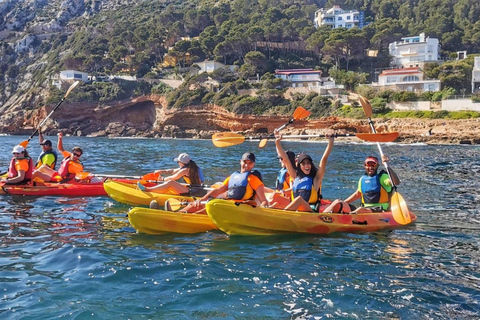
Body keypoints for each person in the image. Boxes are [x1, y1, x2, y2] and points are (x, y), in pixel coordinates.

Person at [160, 152, 268, 213]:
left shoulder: (253, 179)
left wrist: (258, 211)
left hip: (241, 209)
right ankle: (178, 214)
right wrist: (203, 198)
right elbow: (217, 190)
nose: (246, 165)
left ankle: (181, 216)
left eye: (250, 163)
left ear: (253, 165)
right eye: (245, 162)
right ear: (240, 162)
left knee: (210, 207)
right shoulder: (233, 177)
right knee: (200, 203)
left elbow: (263, 201)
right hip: (227, 204)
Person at [273, 130, 335, 212]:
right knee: (275, 205)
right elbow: (285, 159)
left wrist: (331, 141)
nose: (306, 165)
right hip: (296, 211)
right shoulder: (295, 176)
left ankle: (282, 216)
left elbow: (324, 159)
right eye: (303, 164)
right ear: (299, 166)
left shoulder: (316, 179)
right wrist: (277, 142)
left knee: (299, 200)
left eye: (308, 163)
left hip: (309, 211)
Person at [323, 155, 400, 214]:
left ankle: (350, 216)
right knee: (337, 202)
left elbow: (395, 182)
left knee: (360, 209)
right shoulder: (362, 179)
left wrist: (388, 167)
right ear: (365, 166)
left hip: (380, 209)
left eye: (373, 165)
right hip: (364, 209)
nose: (370, 167)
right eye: (368, 165)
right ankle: (322, 216)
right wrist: (344, 203)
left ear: (377, 166)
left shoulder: (382, 177)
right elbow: (358, 194)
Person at [137, 153, 205, 196]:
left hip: (193, 192)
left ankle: (147, 190)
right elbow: (173, 171)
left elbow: (172, 178)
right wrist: (161, 171)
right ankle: (158, 189)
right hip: (195, 189)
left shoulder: (185, 170)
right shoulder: (192, 167)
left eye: (178, 162)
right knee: (172, 183)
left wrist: (162, 179)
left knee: (171, 183)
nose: (178, 163)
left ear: (181, 163)